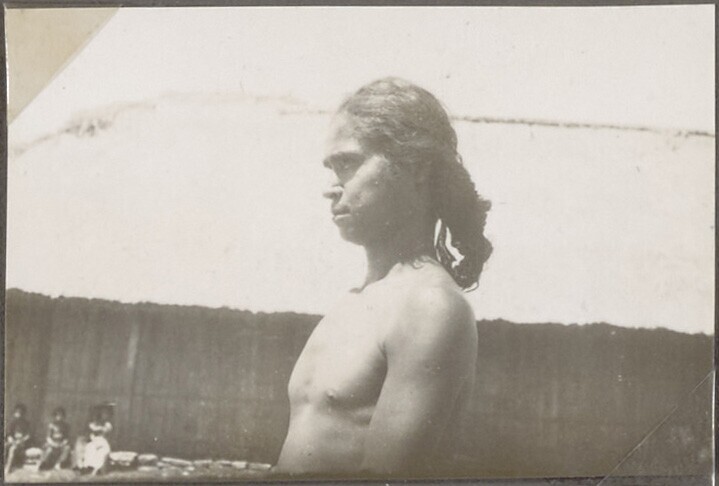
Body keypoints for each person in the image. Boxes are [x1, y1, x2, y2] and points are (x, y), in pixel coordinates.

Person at [275, 78, 492, 478]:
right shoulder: (354, 300)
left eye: (347, 164)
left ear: (417, 167)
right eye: (331, 168)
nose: (331, 188)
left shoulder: (429, 306)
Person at [74, 404, 113, 475]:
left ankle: (97, 469)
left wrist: (99, 429)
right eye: (103, 414)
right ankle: (85, 467)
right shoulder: (93, 424)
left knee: (103, 451)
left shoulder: (108, 424)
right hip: (94, 441)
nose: (104, 416)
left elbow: (104, 431)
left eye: (106, 414)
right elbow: (92, 430)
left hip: (103, 442)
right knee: (90, 448)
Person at [4, 403, 31, 475]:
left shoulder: (26, 423)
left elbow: (28, 435)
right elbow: (9, 433)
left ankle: (8, 467)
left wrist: (21, 440)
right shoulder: (12, 422)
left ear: (23, 413)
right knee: (5, 446)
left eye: (20, 412)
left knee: (12, 449)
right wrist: (10, 439)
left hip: (21, 442)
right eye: (17, 412)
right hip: (13, 441)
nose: (18, 414)